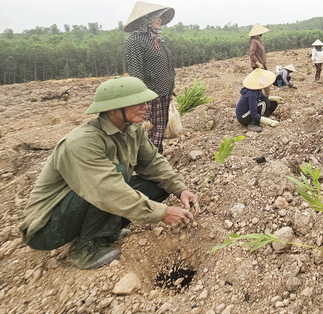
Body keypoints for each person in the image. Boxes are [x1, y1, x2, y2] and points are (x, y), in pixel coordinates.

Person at [19, 76, 199, 270]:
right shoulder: (82, 142)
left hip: (92, 198)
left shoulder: (133, 129)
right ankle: (83, 249)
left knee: (158, 186)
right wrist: (161, 213)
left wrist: (180, 189)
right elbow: (107, 190)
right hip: (48, 226)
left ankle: (105, 233)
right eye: (138, 102)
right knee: (117, 176)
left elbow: (153, 163)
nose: (146, 106)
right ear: (114, 108)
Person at [124, 1, 176, 154]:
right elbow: (136, 71)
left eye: (160, 17)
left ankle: (156, 159)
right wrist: (141, 98)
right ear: (145, 20)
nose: (160, 20)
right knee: (151, 131)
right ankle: (150, 165)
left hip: (164, 91)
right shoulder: (134, 40)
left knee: (159, 129)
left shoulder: (157, 38)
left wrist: (171, 84)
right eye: (156, 17)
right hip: (151, 94)